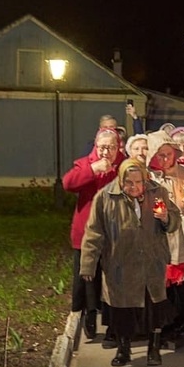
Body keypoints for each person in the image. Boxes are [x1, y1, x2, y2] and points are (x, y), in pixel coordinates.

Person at [81, 160, 181, 367]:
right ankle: (123, 349)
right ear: (121, 179)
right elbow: (94, 233)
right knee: (123, 311)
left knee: (154, 308)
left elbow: (174, 221)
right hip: (120, 263)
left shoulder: (157, 192)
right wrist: (88, 264)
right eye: (129, 182)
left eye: (139, 182)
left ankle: (154, 349)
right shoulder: (106, 197)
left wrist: (165, 218)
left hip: (151, 261)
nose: (134, 187)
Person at [146, 130, 184, 353]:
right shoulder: (146, 177)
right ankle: (160, 332)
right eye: (159, 155)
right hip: (157, 245)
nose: (165, 159)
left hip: (183, 244)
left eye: (168, 154)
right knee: (161, 291)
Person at [61, 128, 120, 342]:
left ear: (118, 148)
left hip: (115, 232)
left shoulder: (123, 164)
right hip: (87, 232)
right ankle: (90, 315)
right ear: (96, 146)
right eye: (102, 147)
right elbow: (68, 183)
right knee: (88, 276)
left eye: (111, 147)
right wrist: (93, 169)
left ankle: (113, 322)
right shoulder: (86, 163)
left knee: (114, 278)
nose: (106, 152)